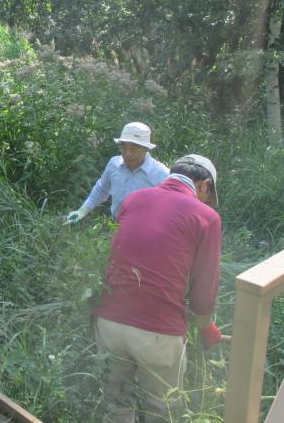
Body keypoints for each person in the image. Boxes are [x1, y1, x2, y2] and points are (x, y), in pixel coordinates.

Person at [92, 154, 223, 423]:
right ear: (205, 186)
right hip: (158, 334)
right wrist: (205, 326)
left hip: (108, 322)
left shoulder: (133, 200)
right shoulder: (207, 216)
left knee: (117, 404)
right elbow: (203, 286)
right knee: (162, 411)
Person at [65, 122, 168, 223]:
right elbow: (102, 188)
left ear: (146, 149)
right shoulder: (114, 164)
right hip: (117, 226)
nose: (128, 154)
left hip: (148, 230)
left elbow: (171, 207)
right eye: (124, 147)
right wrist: (83, 210)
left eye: (134, 149)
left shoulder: (161, 174)